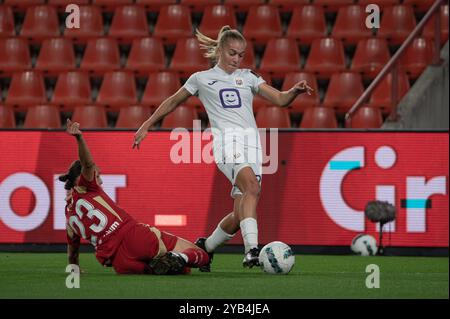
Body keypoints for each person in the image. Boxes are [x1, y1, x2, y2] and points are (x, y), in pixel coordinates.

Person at [133, 26, 313, 271]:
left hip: (253, 145)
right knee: (253, 187)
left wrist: (294, 91)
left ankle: (205, 247)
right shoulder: (201, 78)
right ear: (219, 50)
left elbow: (280, 100)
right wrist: (146, 124)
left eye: (240, 55)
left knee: (240, 214)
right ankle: (252, 250)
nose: (236, 59)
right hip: (227, 143)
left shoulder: (249, 77)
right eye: (232, 53)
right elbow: (173, 101)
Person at [62, 119, 210, 275]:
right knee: (199, 256)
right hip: (134, 237)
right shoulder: (88, 187)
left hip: (119, 263)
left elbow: (72, 252)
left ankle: (174, 259)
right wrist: (79, 138)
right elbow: (88, 163)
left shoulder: (69, 218)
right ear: (80, 178)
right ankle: (179, 256)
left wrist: (74, 268)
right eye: (97, 176)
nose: (99, 180)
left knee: (180, 271)